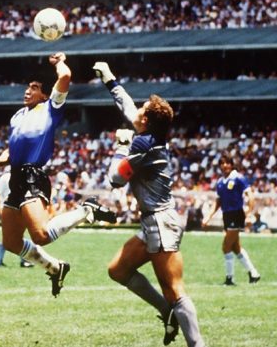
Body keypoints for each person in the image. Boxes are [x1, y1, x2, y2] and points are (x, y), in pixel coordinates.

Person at [93, 61, 204, 346]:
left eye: (142, 111)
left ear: (146, 122)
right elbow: (129, 108)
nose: (137, 111)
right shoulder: (149, 135)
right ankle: (167, 313)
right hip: (153, 220)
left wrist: (119, 147)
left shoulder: (143, 145)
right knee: (118, 269)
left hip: (160, 222)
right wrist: (110, 79)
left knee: (175, 289)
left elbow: (115, 179)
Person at [0, 52, 116, 297]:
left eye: (34, 88)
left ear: (44, 94)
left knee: (42, 235)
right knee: (12, 243)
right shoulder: (18, 115)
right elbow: (13, 146)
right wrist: (1, 159)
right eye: (27, 87)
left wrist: (59, 63)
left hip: (33, 176)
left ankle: (86, 210)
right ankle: (55, 268)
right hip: (15, 176)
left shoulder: (51, 108)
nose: (28, 91)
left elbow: (66, 76)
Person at [202, 155, 261, 285]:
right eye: (222, 163)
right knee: (235, 247)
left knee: (225, 246)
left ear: (231, 164)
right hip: (227, 215)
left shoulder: (238, 178)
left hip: (236, 214)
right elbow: (218, 202)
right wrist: (208, 216)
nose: (225, 165)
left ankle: (229, 278)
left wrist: (249, 214)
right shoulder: (220, 182)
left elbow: (250, 196)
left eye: (227, 163)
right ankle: (254, 273)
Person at [0, 172, 33, 268]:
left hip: (19, 209)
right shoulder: (6, 177)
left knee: (15, 235)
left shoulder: (23, 176)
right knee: (11, 236)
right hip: (8, 209)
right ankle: (22, 261)